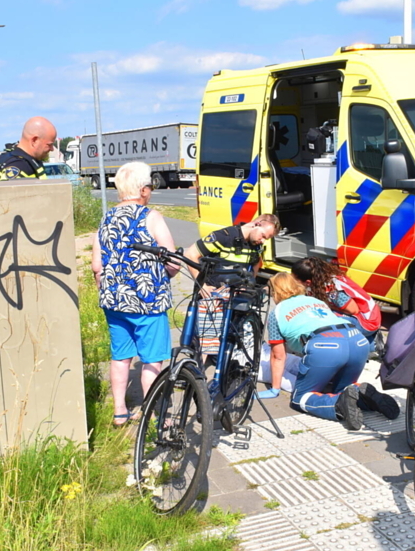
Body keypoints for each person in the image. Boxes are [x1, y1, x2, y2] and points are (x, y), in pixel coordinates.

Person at [91, 162, 179, 426]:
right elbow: (173, 260)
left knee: (121, 356)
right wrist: (166, 276)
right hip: (147, 302)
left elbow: (97, 266)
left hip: (114, 302)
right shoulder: (150, 217)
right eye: (150, 186)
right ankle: (150, 412)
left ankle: (119, 410)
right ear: (142, 190)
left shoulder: (106, 218)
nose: (150, 191)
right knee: (152, 359)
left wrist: (108, 287)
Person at [260, 273, 399, 429]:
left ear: (275, 292)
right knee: (343, 389)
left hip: (325, 346)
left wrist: (275, 388)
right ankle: (360, 393)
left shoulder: (276, 313)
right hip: (357, 341)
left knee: (301, 398)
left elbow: (278, 356)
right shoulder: (315, 301)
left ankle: (337, 405)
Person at [183, 215, 280, 358]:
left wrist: (249, 283)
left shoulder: (256, 245)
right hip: (214, 293)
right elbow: (191, 254)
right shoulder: (224, 237)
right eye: (263, 236)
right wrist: (202, 285)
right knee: (207, 341)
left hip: (235, 294)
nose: (263, 240)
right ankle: (198, 373)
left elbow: (256, 263)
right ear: (257, 224)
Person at [291, 257, 382, 342]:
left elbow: (353, 310)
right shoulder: (319, 279)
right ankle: (368, 342)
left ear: (308, 282)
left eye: (294, 279)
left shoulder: (331, 289)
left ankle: (369, 341)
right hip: (363, 318)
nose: (291, 281)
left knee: (320, 317)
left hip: (366, 322)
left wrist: (326, 307)